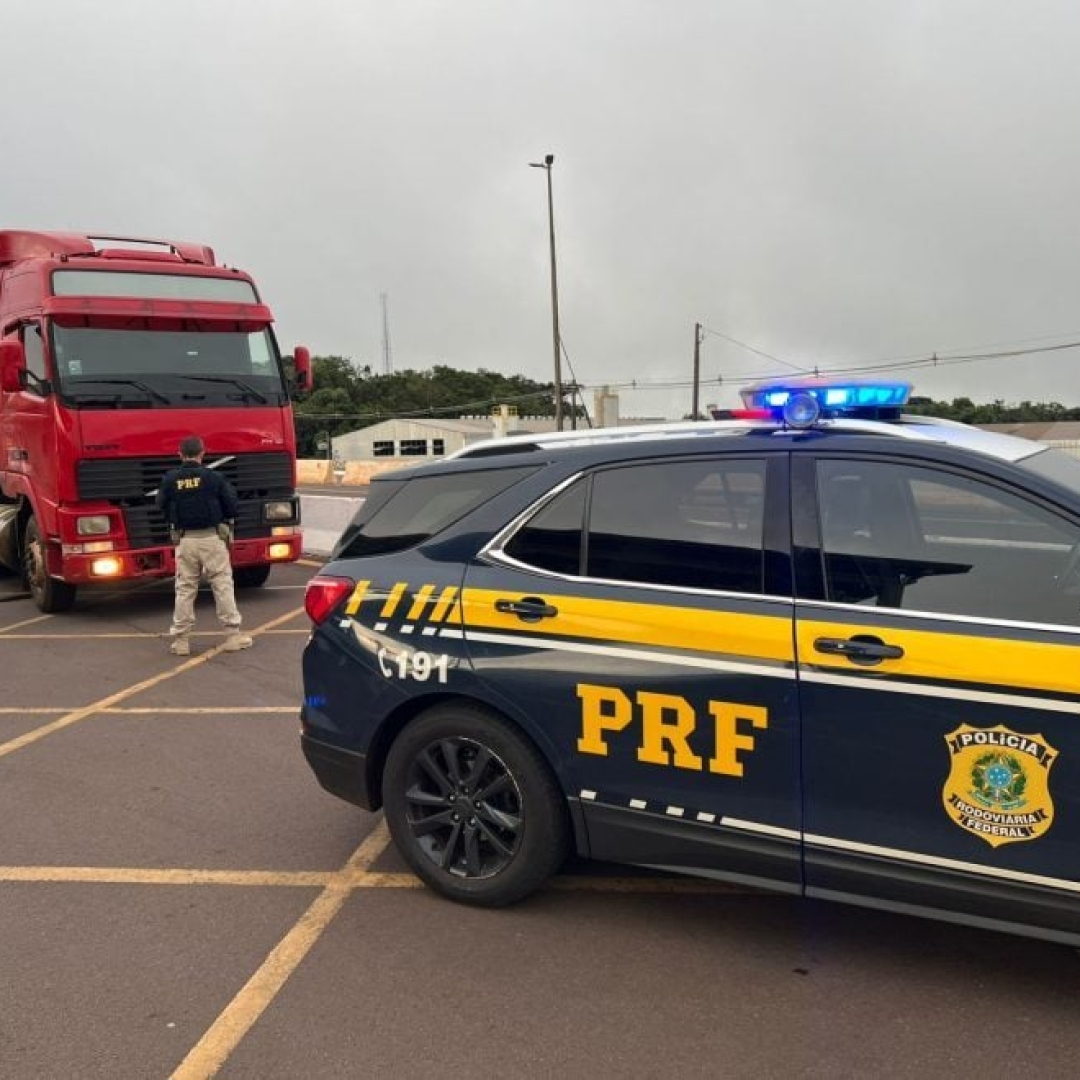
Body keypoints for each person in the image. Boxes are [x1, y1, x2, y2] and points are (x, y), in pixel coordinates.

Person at [156, 435, 253, 656]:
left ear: (179, 454)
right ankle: (232, 636)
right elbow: (231, 506)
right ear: (202, 453)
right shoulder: (214, 478)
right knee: (222, 584)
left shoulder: (170, 479)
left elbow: (160, 504)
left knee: (185, 589)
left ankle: (181, 641)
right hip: (212, 539)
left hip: (185, 540)